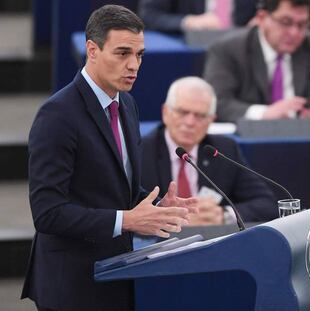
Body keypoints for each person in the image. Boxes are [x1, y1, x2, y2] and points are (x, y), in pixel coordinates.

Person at [21, 5, 198, 311]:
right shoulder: (57, 116)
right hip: (72, 287)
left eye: (139, 54)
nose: (134, 65)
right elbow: (48, 212)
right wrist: (129, 220)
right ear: (92, 50)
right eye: (123, 53)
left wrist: (157, 210)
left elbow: (117, 191)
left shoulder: (127, 105)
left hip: (117, 273)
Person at [141, 77, 278, 225]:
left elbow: (267, 204)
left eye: (200, 116)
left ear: (211, 120)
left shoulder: (223, 150)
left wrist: (224, 215)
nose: (190, 122)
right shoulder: (141, 151)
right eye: (182, 112)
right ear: (165, 112)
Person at [204, 0, 310, 123]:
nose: (294, 32)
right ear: (261, 18)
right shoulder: (228, 49)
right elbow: (218, 103)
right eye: (285, 22)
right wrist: (265, 113)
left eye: (302, 24)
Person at [139, 0, 257, 34]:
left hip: (242, 46)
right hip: (192, 48)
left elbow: (268, 9)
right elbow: (149, 15)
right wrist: (188, 21)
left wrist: (262, 18)